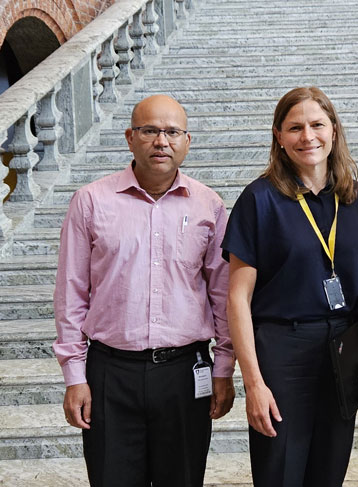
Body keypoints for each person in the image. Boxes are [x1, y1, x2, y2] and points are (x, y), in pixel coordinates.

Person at [53, 94, 236, 487]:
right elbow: (71, 294)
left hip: (186, 373)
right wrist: (74, 375)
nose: (161, 141)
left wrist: (224, 368)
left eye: (172, 132)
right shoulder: (90, 202)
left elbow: (222, 294)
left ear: (187, 141)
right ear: (129, 137)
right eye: (150, 130)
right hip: (109, 374)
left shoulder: (210, 206)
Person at [223, 86, 358, 487]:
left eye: (317, 124)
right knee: (280, 472)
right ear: (279, 137)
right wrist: (252, 382)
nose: (308, 136)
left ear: (333, 130)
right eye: (295, 127)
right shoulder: (258, 199)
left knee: (329, 471)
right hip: (283, 350)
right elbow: (237, 297)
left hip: (345, 350)